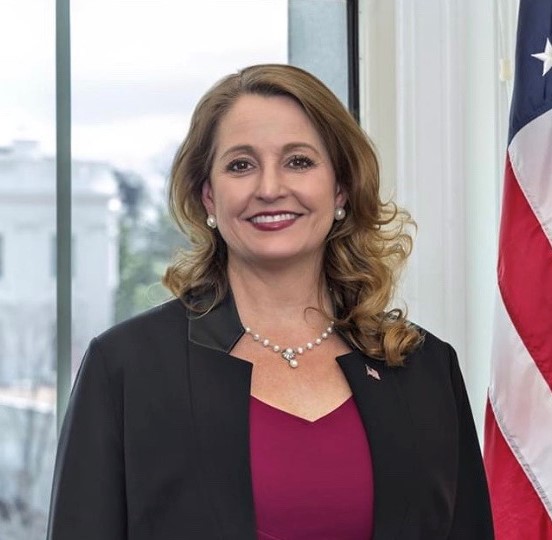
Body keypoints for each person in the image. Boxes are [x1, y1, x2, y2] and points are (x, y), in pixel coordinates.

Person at [47, 64, 494, 540]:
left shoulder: (424, 368)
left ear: (340, 188)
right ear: (208, 198)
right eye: (241, 165)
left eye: (298, 161)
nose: (269, 188)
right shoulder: (126, 369)